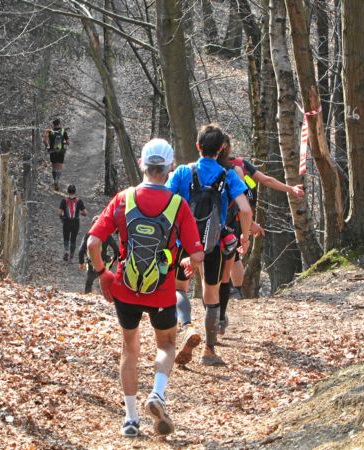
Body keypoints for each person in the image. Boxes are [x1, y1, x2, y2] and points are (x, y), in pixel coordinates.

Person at [87, 139, 204, 438]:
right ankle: (157, 394)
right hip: (162, 292)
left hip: (125, 288)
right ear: (170, 167)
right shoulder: (178, 205)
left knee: (129, 349)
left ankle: (130, 420)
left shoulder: (123, 198)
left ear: (142, 164)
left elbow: (93, 243)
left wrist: (102, 274)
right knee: (166, 344)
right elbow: (196, 252)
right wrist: (190, 263)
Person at [167, 124, 253, 366]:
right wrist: (244, 237)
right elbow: (245, 209)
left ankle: (187, 326)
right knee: (211, 293)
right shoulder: (228, 175)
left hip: (183, 240)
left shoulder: (183, 172)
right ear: (221, 148)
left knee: (179, 288)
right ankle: (209, 351)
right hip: (213, 243)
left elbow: (166, 200)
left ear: (198, 146)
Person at [216, 135, 305, 335]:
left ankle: (228, 297)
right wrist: (290, 189)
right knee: (233, 255)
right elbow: (266, 180)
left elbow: (264, 180)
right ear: (228, 148)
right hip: (233, 218)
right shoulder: (236, 166)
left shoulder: (211, 167)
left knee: (227, 258)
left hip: (223, 219)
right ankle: (232, 295)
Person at [78, 216, 119, 293]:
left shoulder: (88, 235)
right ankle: (105, 294)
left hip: (92, 262)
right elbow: (116, 249)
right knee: (105, 280)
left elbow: (81, 250)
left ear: (91, 225)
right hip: (104, 262)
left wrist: (81, 262)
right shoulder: (107, 235)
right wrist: (115, 259)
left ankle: (88, 295)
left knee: (89, 281)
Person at [59, 184, 87, 262]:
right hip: (75, 223)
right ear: (75, 192)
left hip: (66, 222)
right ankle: (71, 257)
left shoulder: (64, 201)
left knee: (66, 237)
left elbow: (59, 212)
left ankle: (66, 251)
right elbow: (85, 213)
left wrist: (62, 218)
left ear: (68, 191)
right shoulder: (79, 201)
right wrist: (80, 213)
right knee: (73, 239)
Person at [43, 118, 69, 191]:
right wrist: (62, 142)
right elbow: (68, 142)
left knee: (54, 168)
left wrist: (47, 146)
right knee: (59, 168)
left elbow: (44, 141)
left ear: (53, 124)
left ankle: (55, 180)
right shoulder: (63, 131)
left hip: (53, 151)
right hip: (61, 151)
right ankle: (57, 181)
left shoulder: (50, 131)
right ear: (59, 124)